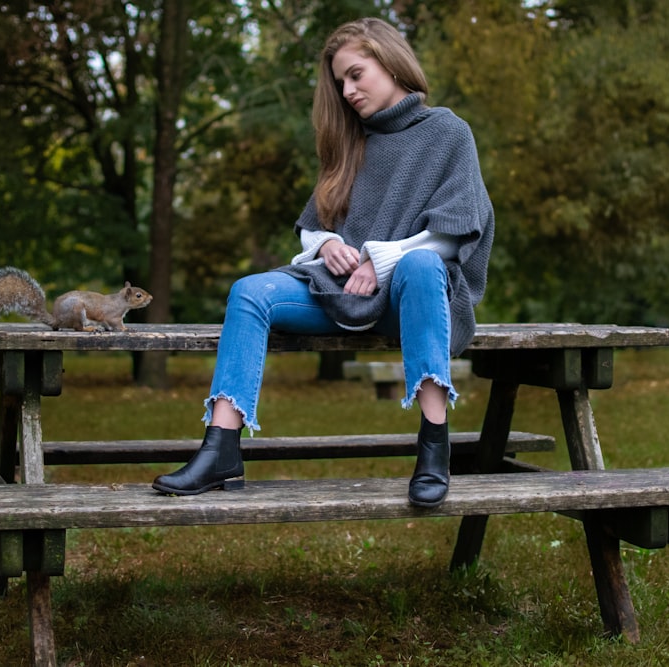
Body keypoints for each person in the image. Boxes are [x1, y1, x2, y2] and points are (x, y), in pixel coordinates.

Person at [152, 17, 494, 507]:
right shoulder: (350, 142)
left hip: (414, 298)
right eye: (341, 82)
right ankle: (221, 448)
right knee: (250, 291)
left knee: (421, 267)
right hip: (344, 291)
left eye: (357, 74)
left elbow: (457, 230)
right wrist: (325, 244)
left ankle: (434, 447)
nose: (349, 91)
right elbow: (316, 222)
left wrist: (386, 260)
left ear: (391, 61)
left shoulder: (447, 132)